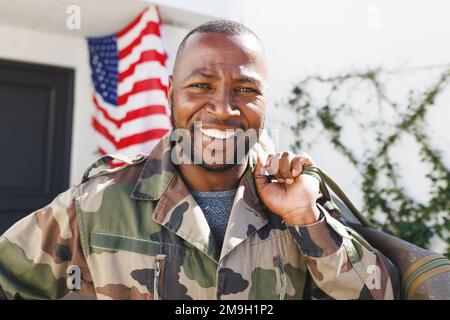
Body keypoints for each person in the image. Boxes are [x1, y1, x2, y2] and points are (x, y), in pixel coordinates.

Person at [0, 20, 399, 300]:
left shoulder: (299, 201)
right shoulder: (96, 203)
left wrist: (306, 219)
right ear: (171, 92)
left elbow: (379, 294)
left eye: (245, 89)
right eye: (201, 85)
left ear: (265, 101)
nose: (223, 108)